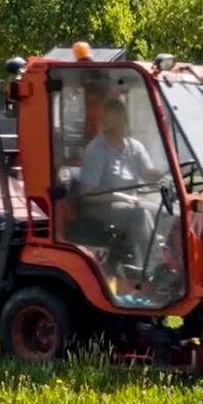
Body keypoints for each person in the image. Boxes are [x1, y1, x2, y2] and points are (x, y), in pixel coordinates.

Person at [77, 99, 165, 278]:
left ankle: (177, 264)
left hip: (131, 201)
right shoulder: (97, 149)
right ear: (106, 122)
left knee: (171, 211)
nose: (119, 125)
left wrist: (164, 171)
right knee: (140, 215)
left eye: (121, 120)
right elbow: (87, 193)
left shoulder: (134, 146)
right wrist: (120, 197)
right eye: (113, 120)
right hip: (101, 207)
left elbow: (148, 175)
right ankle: (157, 269)